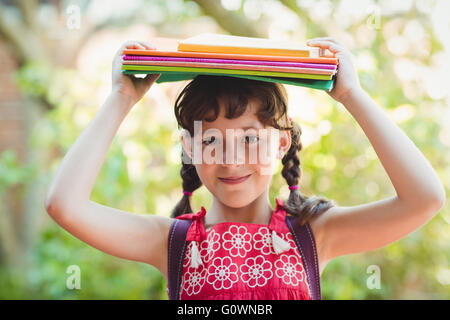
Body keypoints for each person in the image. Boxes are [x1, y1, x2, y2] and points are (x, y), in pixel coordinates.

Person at [45, 38, 446, 300]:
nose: (231, 160)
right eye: (210, 140)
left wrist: (352, 94)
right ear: (189, 149)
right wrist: (121, 97)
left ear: (282, 143)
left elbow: (424, 199)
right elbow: (65, 205)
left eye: (251, 139)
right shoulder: (172, 243)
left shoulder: (313, 235)